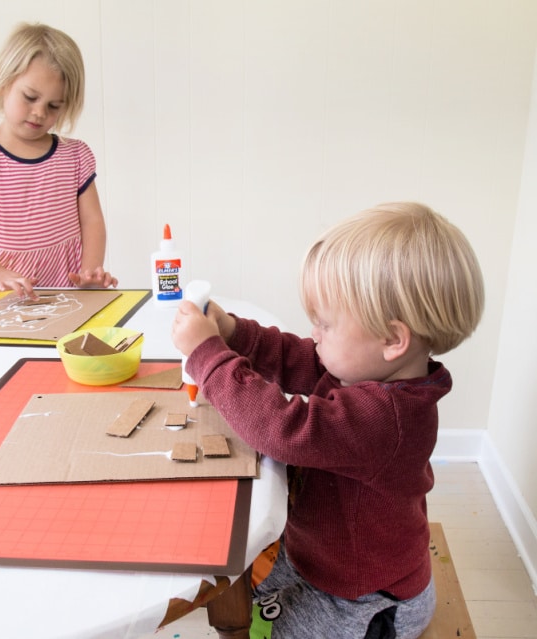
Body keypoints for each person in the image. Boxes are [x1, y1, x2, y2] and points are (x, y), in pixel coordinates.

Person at [171, 202, 484, 638]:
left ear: (392, 339)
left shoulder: (386, 418)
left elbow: (282, 429)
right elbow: (298, 356)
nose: (313, 333)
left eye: (325, 324)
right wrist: (235, 335)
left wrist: (210, 357)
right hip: (321, 558)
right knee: (244, 601)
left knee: (265, 630)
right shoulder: (371, 371)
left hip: (365, 598)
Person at [0, 23, 117, 300]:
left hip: (66, 293)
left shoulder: (75, 155)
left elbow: (93, 221)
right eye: (30, 97)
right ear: (3, 84)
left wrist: (90, 272)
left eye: (53, 106)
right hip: (4, 296)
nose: (38, 113)